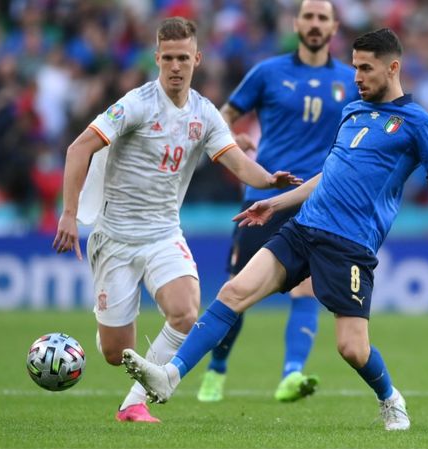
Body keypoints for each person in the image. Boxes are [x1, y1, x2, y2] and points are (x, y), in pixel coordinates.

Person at [121, 28, 428, 431]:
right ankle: (171, 376)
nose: (357, 77)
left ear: (393, 67)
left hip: (349, 244)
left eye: (365, 68)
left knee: (351, 348)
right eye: (355, 66)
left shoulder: (418, 123)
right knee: (233, 291)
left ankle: (390, 397)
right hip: (304, 226)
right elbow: (328, 174)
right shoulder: (353, 111)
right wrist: (274, 203)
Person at [52, 17, 301, 424]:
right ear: (157, 58)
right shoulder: (135, 104)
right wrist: (68, 213)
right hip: (114, 236)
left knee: (187, 313)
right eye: (167, 58)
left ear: (197, 59)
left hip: (163, 232)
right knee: (117, 353)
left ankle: (134, 403)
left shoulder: (204, 113)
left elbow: (238, 163)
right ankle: (107, 332)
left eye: (183, 58)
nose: (175, 66)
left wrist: (269, 179)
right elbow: (78, 149)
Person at [197, 0, 359, 404]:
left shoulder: (349, 79)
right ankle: (216, 370)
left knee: (307, 289)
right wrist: (229, 139)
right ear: (297, 23)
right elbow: (224, 114)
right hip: (264, 197)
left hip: (317, 200)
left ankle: (291, 374)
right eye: (309, 16)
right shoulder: (268, 73)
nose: (316, 24)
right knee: (238, 291)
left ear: (334, 26)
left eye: (323, 17)